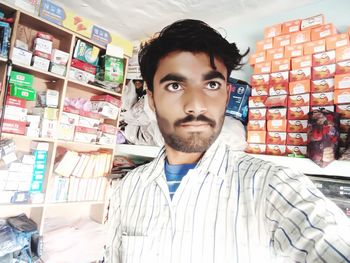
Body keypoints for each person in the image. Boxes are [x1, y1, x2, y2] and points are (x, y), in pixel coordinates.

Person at [105, 19, 350, 263]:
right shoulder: (127, 189)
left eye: (212, 84)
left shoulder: (273, 185)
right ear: (152, 98)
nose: (196, 105)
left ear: (226, 95)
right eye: (175, 85)